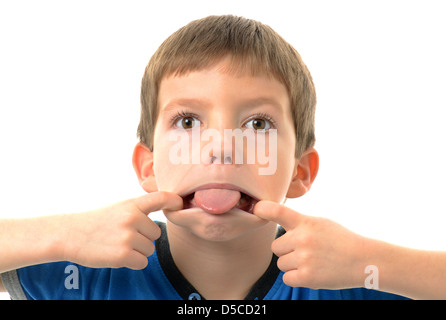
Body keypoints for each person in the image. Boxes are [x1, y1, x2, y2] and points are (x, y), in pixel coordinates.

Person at [0, 15, 445, 300]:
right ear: (149, 168)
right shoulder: (91, 271)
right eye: (189, 122)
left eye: (257, 125)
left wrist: (372, 261)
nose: (221, 146)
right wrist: (60, 233)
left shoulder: (349, 277)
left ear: (300, 173)